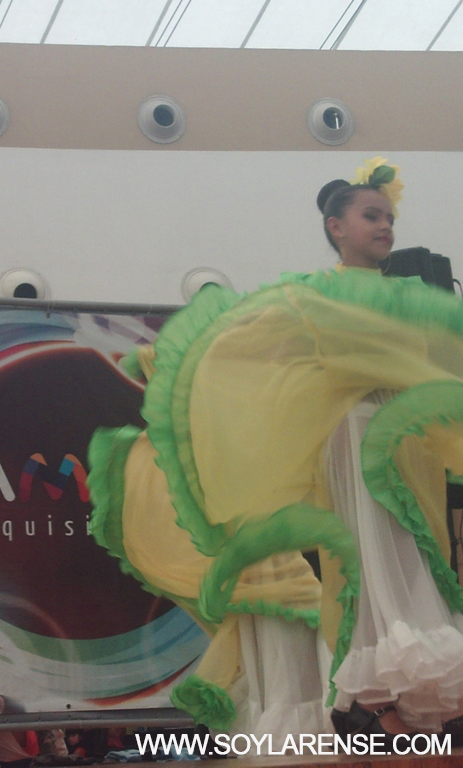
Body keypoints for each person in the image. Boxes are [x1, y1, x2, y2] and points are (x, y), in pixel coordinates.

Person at [88, 158, 463, 742]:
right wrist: (170, 364)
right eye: (371, 216)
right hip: (352, 441)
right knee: (367, 563)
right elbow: (251, 346)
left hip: (403, 444)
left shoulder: (407, 295)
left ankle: (384, 696)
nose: (385, 226)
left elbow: (432, 361)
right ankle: (371, 695)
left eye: (389, 217)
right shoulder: (315, 295)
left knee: (411, 556)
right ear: (336, 227)